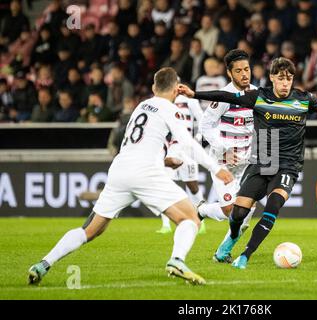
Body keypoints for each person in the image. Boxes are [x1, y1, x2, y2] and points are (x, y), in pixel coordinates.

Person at [28, 67, 234, 286]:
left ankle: (43, 264)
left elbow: (141, 142)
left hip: (119, 169)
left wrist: (164, 159)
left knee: (89, 230)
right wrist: (215, 168)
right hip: (144, 172)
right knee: (190, 217)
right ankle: (176, 260)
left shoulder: (141, 106)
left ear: (154, 87)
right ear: (177, 89)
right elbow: (187, 142)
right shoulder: (171, 109)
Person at [178, 57, 317, 269]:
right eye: (281, 78)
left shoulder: (303, 99)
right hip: (262, 162)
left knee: (273, 206)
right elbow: (226, 96)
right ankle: (231, 237)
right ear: (272, 78)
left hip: (288, 166)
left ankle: (245, 256)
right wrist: (195, 94)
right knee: (237, 214)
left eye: (289, 79)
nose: (285, 83)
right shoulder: (258, 97)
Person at [196, 50, 258, 260]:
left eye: (247, 69)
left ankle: (222, 252)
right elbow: (205, 125)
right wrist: (224, 148)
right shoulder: (224, 97)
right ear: (230, 73)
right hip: (223, 163)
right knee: (229, 211)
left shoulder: (256, 95)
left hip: (248, 163)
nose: (244, 74)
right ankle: (203, 210)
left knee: (247, 212)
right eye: (239, 71)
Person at [156, 92, 206, 234]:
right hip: (170, 149)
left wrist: (197, 139)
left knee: (193, 186)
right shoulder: (163, 102)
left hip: (187, 149)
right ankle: (166, 225)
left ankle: (201, 221)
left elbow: (202, 120)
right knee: (165, 183)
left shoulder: (189, 100)